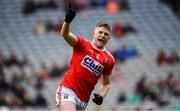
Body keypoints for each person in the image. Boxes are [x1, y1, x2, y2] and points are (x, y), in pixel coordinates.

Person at [56, 3, 115, 110]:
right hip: (68, 90)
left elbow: (106, 84)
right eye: (100, 32)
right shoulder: (82, 44)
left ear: (109, 38)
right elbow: (65, 34)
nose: (102, 35)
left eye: (106, 34)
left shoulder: (109, 60)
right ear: (94, 34)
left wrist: (101, 95)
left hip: (83, 100)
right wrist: (67, 21)